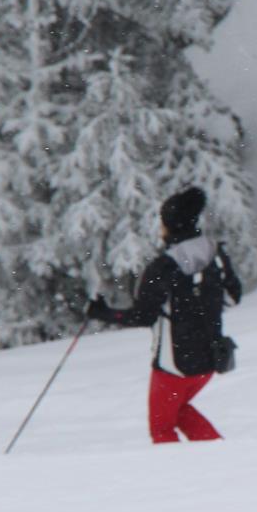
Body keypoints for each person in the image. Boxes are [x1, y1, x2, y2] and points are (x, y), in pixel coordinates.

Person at [87, 186, 241, 443]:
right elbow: (233, 297)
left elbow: (142, 316)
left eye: (162, 221)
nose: (160, 228)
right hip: (211, 359)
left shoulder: (163, 267)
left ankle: (184, 466)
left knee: (162, 428)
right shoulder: (215, 253)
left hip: (173, 365)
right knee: (178, 411)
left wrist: (102, 313)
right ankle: (220, 454)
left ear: (171, 225)